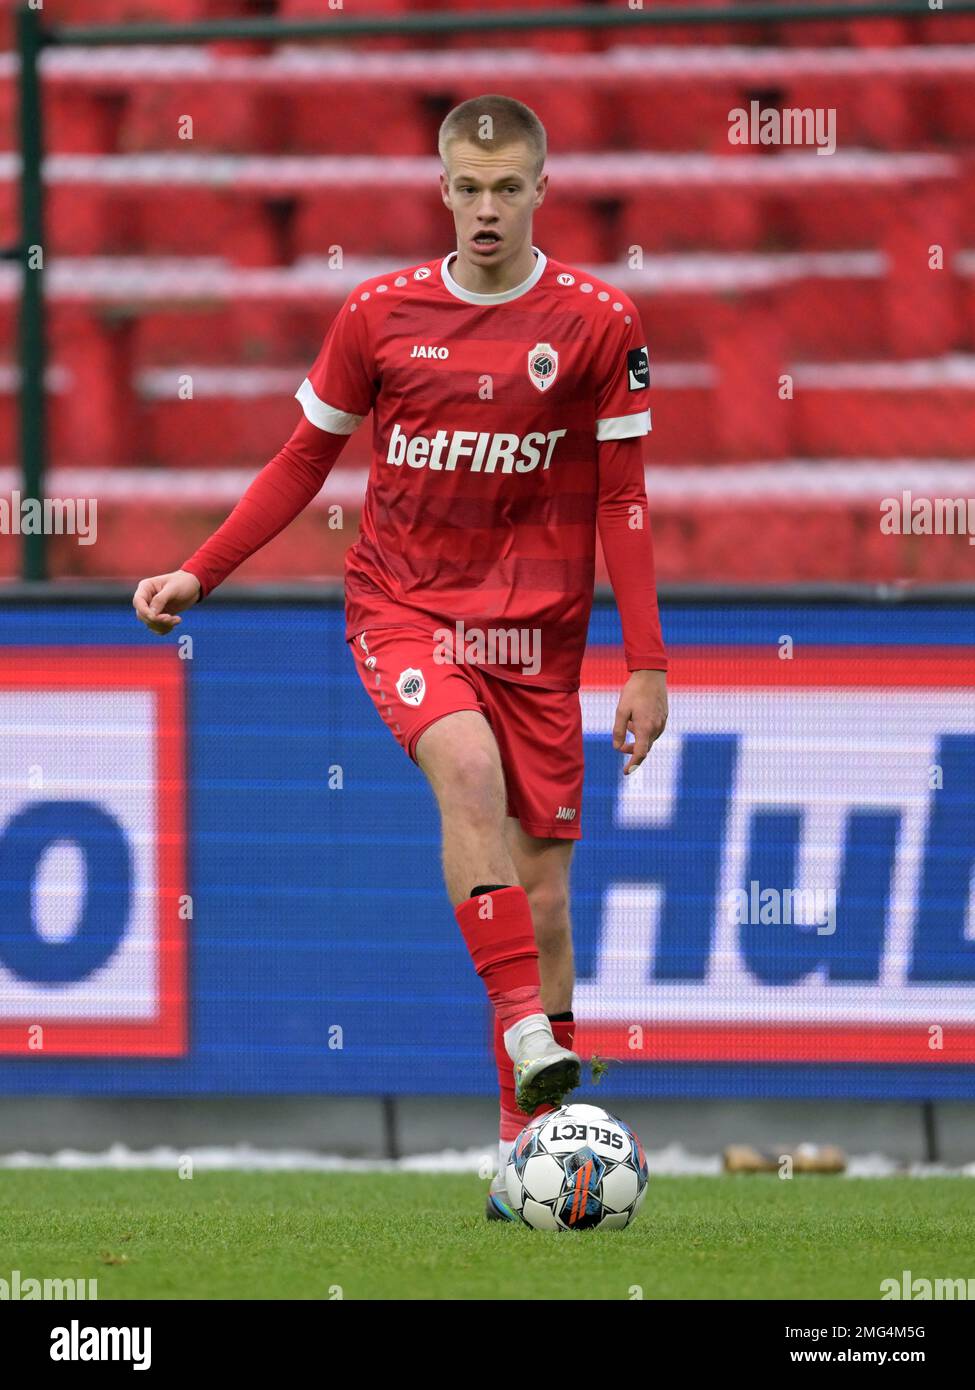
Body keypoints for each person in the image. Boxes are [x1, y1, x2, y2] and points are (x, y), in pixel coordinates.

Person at [133, 94, 668, 1221]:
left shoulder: (598, 322)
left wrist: (649, 663)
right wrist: (200, 572)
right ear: (442, 189)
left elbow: (623, 498)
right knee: (463, 774)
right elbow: (298, 462)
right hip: (406, 606)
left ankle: (534, 1154)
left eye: (506, 188)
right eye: (467, 188)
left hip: (539, 630)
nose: (485, 208)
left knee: (549, 892)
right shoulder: (379, 317)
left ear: (540, 191)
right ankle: (527, 1028)